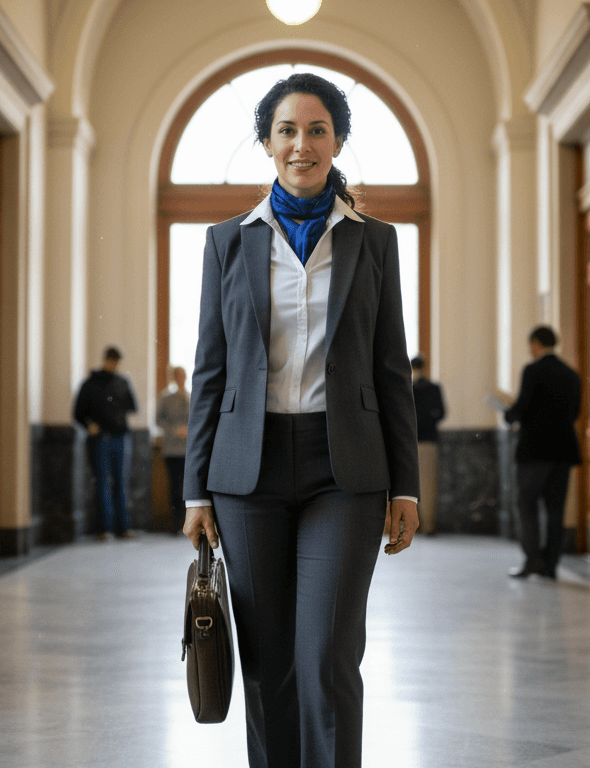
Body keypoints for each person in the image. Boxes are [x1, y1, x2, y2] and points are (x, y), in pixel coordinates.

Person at [181, 72, 419, 768]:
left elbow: (390, 370)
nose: (302, 144)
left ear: (337, 140)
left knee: (327, 657)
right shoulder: (229, 241)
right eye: (287, 130)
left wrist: (404, 485)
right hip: (245, 473)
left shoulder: (374, 242)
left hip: (344, 471)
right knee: (267, 666)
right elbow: (211, 370)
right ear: (266, 143)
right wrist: (197, 488)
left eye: (317, 129)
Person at [501, 326, 582, 580]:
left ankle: (532, 560)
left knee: (527, 505)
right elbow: (575, 413)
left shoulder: (532, 370)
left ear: (535, 343)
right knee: (555, 509)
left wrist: (508, 413)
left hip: (534, 452)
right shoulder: (571, 374)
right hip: (563, 452)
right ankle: (552, 565)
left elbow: (522, 408)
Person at [73, 346, 138, 541]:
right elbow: (78, 413)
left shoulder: (122, 382)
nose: (113, 364)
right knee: (102, 483)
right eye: (111, 360)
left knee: (120, 483)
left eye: (116, 361)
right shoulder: (90, 384)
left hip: (120, 437)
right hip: (100, 439)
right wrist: (88, 425)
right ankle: (104, 529)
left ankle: (122, 528)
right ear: (105, 360)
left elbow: (132, 407)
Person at [411, 355, 446, 535]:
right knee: (428, 485)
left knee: (410, 485)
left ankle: (412, 525)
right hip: (429, 440)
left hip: (411, 441)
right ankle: (428, 525)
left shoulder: (409, 389)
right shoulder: (434, 388)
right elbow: (441, 413)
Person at [155, 366, 189, 533]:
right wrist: (175, 430)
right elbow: (158, 420)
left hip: (188, 450)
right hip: (172, 449)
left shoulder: (192, 396)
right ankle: (176, 523)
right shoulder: (166, 398)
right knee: (175, 486)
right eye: (179, 376)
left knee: (188, 487)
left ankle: (188, 521)